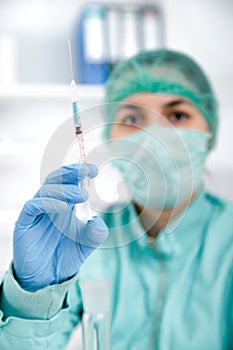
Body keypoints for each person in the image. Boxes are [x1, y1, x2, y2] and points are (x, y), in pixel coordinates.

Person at [0, 49, 232, 350]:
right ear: (109, 137)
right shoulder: (88, 241)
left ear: (209, 132)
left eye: (177, 115)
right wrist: (31, 301)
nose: (155, 136)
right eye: (133, 118)